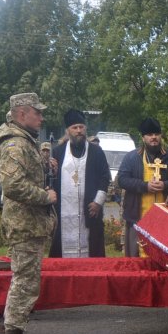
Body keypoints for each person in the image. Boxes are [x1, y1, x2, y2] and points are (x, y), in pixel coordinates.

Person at [0, 93, 57, 334]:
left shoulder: (23, 140)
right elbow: (12, 186)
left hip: (28, 223)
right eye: (36, 112)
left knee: (27, 283)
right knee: (23, 284)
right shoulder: (15, 144)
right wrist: (45, 197)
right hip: (24, 224)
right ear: (21, 114)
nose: (41, 117)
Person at [118, 117, 168, 257]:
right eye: (149, 134)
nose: (154, 137)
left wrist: (165, 185)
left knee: (164, 257)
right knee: (137, 259)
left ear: (161, 136)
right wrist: (145, 186)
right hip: (138, 216)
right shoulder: (131, 157)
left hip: (166, 217)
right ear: (143, 137)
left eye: (156, 134)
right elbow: (122, 180)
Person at [49, 110, 112, 258]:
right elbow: (50, 180)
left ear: (85, 128)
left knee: (92, 252)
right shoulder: (58, 152)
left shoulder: (97, 152)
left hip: (90, 211)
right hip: (64, 214)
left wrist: (98, 202)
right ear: (68, 131)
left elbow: (105, 177)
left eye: (81, 127)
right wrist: (51, 170)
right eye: (74, 128)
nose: (78, 131)